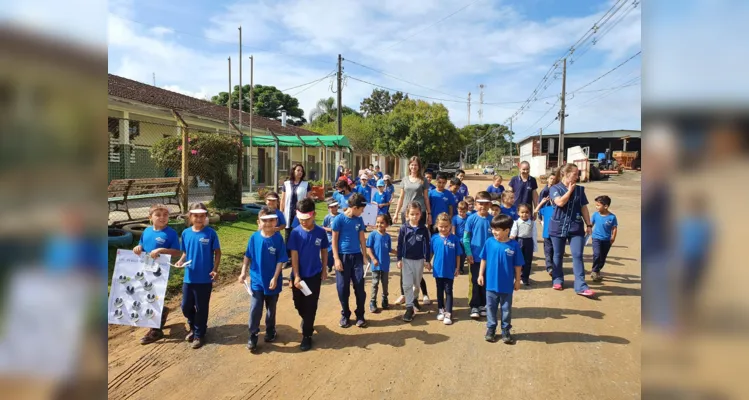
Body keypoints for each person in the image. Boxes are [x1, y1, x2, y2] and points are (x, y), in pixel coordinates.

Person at [239, 207, 287, 353]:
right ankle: (253, 335)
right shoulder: (254, 238)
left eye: (271, 220)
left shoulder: (278, 238)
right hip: (257, 281)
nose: (267, 223)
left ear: (276, 221)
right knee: (255, 308)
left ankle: (270, 331)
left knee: (271, 309)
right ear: (258, 222)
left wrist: (275, 277)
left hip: (273, 282)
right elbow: (248, 256)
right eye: (264, 220)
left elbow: (281, 260)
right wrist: (243, 272)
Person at [132, 204, 181, 345]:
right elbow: (142, 245)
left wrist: (162, 250)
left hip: (161, 272)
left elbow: (177, 252)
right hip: (145, 269)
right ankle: (163, 311)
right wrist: (138, 248)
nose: (162, 217)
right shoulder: (147, 231)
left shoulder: (170, 233)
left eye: (165, 215)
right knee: (146, 296)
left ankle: (156, 331)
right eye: (158, 214)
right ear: (150, 218)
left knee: (153, 298)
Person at [174, 203, 221, 349]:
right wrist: (180, 261)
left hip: (205, 278)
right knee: (185, 306)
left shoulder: (211, 233)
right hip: (189, 277)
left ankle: (199, 334)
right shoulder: (186, 233)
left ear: (206, 217)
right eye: (196, 215)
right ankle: (193, 327)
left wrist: (215, 269)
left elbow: (217, 252)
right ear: (190, 216)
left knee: (201, 307)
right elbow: (185, 253)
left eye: (202, 216)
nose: (199, 219)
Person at [287, 198, 329, 351]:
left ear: (314, 215)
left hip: (314, 275)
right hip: (298, 276)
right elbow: (294, 255)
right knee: (298, 304)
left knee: (311, 305)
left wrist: (324, 269)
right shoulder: (295, 234)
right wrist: (296, 276)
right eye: (301, 219)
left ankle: (307, 335)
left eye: (307, 219)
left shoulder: (320, 232)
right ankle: (306, 320)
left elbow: (324, 251)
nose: (304, 222)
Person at [549, 163, 595, 297]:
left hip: (575, 226)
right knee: (558, 254)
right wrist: (569, 191)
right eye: (575, 174)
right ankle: (557, 279)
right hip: (558, 226)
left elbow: (583, 208)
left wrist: (588, 224)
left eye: (577, 174)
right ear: (565, 174)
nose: (577, 176)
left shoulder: (580, 190)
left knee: (577, 255)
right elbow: (560, 202)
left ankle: (581, 285)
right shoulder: (555, 188)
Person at [478, 214, 523, 344]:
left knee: (506, 309)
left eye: (497, 229)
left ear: (507, 230)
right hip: (491, 285)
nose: (494, 232)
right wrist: (481, 274)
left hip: (506, 285)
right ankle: (491, 329)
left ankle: (505, 330)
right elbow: (484, 259)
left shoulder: (514, 245)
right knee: (491, 308)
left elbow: (518, 265)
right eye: (493, 229)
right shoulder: (489, 242)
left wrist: (517, 281)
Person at [331, 193, 371, 328]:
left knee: (359, 286)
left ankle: (360, 315)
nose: (363, 212)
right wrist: (336, 259)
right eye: (361, 209)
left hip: (356, 257)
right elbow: (334, 241)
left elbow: (362, 239)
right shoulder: (339, 219)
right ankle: (345, 314)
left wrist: (364, 256)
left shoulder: (359, 220)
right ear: (354, 207)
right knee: (342, 288)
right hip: (342, 257)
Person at [397, 201, 432, 322]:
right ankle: (409, 308)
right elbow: (400, 245)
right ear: (407, 215)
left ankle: (415, 298)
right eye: (412, 214)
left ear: (420, 215)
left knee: (416, 284)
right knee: (406, 284)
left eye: (417, 214)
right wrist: (399, 259)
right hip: (406, 260)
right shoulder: (403, 228)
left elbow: (427, 246)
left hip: (419, 260)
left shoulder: (423, 229)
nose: (414, 216)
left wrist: (427, 260)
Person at [463, 191, 494, 319]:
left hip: (489, 259)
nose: (483, 206)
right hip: (475, 257)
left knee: (486, 282)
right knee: (475, 281)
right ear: (475, 204)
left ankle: (483, 305)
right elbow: (466, 238)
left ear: (490, 204)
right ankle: (474, 305)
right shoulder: (471, 218)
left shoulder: (493, 220)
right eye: (480, 204)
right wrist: (468, 253)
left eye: (486, 204)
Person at [430, 212, 463, 325]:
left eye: (446, 226)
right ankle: (441, 309)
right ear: (437, 226)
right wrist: (428, 262)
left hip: (450, 270)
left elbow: (458, 255)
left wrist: (457, 268)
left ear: (450, 226)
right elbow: (431, 253)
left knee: (448, 290)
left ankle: (448, 313)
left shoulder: (454, 239)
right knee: (439, 290)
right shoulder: (434, 238)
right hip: (438, 270)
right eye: (441, 226)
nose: (443, 229)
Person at [366, 214, 396, 313]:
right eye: (378, 222)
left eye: (382, 222)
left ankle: (385, 299)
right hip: (376, 265)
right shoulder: (373, 235)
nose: (379, 224)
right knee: (375, 283)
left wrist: (397, 252)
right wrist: (373, 258)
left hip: (385, 264)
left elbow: (389, 249)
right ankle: (373, 301)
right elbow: (368, 248)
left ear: (387, 224)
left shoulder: (387, 237)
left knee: (385, 283)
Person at [393, 156, 433, 227]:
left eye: (416, 165)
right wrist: (396, 213)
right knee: (407, 233)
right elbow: (401, 197)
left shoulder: (423, 180)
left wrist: (429, 214)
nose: (414, 167)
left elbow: (426, 198)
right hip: (407, 212)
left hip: (419, 212)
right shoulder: (404, 180)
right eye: (412, 165)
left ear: (419, 166)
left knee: (419, 234)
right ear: (409, 166)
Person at [280, 163, 312, 244]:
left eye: (301, 171)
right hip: (288, 213)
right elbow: (282, 200)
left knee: (300, 234)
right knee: (288, 235)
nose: (300, 172)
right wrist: (281, 213)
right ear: (293, 171)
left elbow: (308, 201)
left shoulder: (306, 184)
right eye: (298, 170)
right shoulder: (286, 184)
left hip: (300, 213)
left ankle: (299, 254)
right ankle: (288, 255)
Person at [590, 195, 618, 282]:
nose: (596, 207)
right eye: (596, 205)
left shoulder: (612, 217)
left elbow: (614, 228)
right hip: (596, 238)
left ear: (605, 206)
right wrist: (587, 229)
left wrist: (613, 237)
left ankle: (597, 270)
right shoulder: (595, 215)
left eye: (598, 205)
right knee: (597, 254)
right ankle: (594, 271)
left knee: (602, 257)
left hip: (607, 240)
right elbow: (590, 224)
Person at [510, 204, 538, 286]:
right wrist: (510, 243)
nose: (524, 214)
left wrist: (535, 246)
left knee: (528, 261)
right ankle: (517, 277)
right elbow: (513, 233)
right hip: (518, 242)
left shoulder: (532, 223)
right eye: (522, 212)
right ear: (518, 213)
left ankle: (525, 278)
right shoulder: (516, 222)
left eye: (527, 212)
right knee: (517, 260)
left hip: (529, 242)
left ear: (530, 213)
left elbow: (534, 235)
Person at [534, 194, 555, 276]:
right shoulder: (546, 209)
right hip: (547, 234)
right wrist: (542, 202)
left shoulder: (561, 209)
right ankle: (549, 267)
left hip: (557, 235)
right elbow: (536, 211)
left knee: (556, 252)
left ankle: (555, 266)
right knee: (548, 251)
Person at [322, 198, 340, 274]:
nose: (334, 208)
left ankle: (337, 266)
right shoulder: (327, 217)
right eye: (332, 207)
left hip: (339, 239)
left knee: (337, 253)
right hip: (329, 239)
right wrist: (331, 230)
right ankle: (329, 265)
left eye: (335, 206)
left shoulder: (340, 216)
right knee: (329, 254)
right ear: (328, 208)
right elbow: (323, 227)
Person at [452, 201, 469, 274]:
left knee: (463, 255)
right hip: (458, 239)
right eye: (460, 211)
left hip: (466, 240)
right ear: (457, 209)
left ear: (467, 210)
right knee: (458, 254)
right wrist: (454, 239)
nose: (461, 213)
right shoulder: (455, 218)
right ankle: (456, 267)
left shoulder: (469, 218)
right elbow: (453, 229)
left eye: (463, 211)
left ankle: (461, 268)